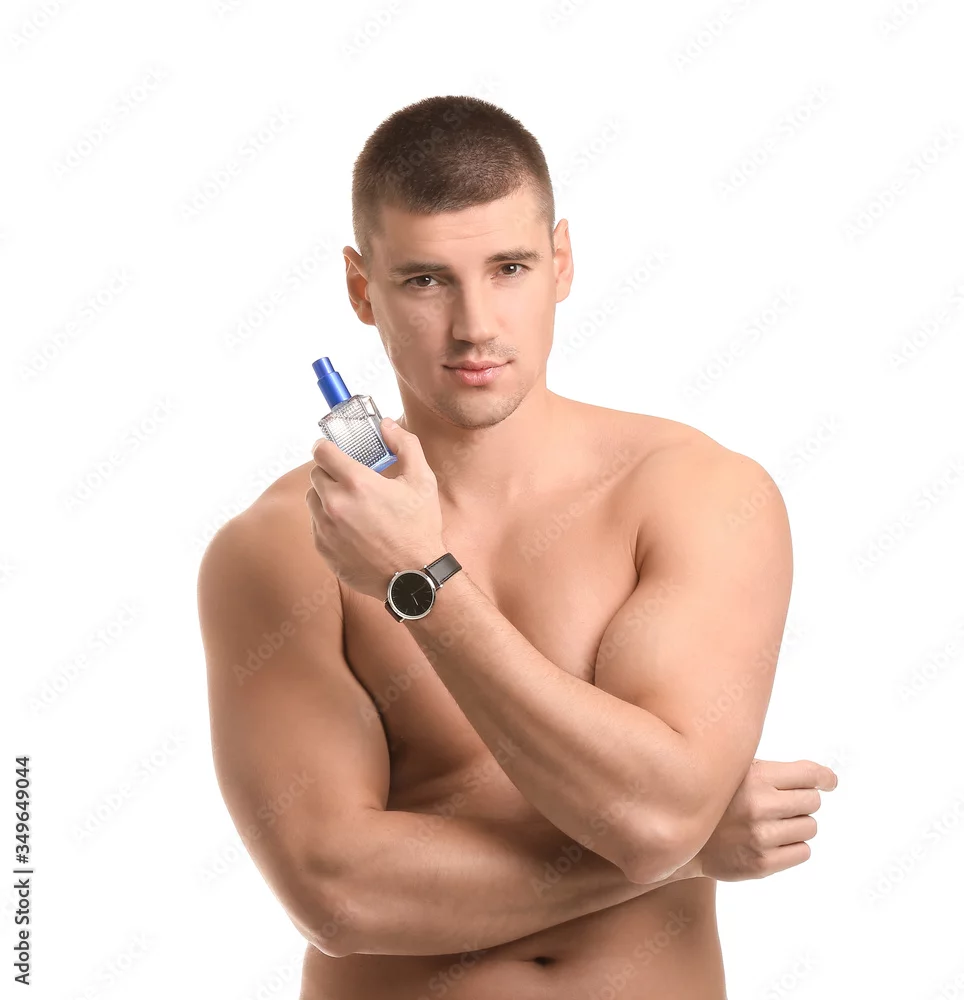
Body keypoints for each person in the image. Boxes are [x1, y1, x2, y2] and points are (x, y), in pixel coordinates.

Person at [197, 95, 838, 1000]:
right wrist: (691, 852)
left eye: (509, 268)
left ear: (561, 261)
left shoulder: (695, 493)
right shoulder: (282, 547)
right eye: (426, 280)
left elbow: (656, 817)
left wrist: (421, 582)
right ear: (362, 288)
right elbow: (337, 894)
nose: (475, 326)